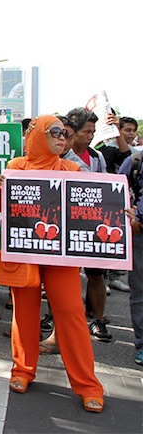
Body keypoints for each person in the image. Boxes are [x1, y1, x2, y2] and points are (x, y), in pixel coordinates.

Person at [0, 115, 104, 412]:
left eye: (65, 134)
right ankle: (22, 370)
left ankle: (88, 384)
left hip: (60, 258)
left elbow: (88, 210)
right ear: (38, 134)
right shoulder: (16, 167)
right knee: (24, 313)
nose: (63, 139)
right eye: (55, 133)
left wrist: (119, 213)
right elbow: (5, 210)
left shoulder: (72, 169)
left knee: (71, 313)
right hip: (26, 253)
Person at [63, 107, 111, 342]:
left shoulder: (96, 158)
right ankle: (57, 318)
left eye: (93, 132)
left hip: (91, 224)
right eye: (86, 131)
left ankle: (98, 319)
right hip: (64, 225)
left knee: (95, 274)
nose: (90, 136)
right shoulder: (59, 155)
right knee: (63, 275)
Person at [118, 149, 143, 366]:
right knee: (140, 291)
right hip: (140, 233)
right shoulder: (135, 161)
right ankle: (142, 344)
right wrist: (132, 217)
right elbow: (117, 192)